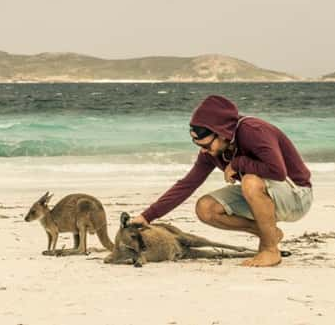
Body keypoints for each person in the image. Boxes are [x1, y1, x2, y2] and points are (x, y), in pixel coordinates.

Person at [130, 94, 313, 267]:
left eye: (205, 145)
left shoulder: (253, 130)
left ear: (222, 133)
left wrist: (237, 163)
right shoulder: (211, 152)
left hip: (296, 195)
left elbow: (277, 171)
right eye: (197, 145)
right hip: (265, 195)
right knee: (206, 208)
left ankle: (270, 250)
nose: (202, 150)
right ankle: (269, 234)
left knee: (249, 180)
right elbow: (187, 185)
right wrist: (147, 216)